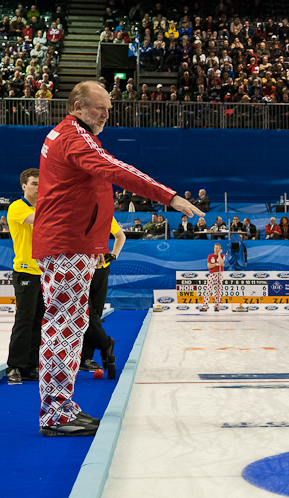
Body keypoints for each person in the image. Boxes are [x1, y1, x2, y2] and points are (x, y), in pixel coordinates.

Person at [33, 81, 202, 437]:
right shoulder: (74, 139)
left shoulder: (71, 133)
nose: (107, 114)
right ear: (78, 106)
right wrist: (168, 197)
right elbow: (116, 171)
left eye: (109, 108)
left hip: (71, 243)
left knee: (70, 325)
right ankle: (56, 413)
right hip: (66, 245)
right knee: (64, 326)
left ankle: (61, 406)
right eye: (100, 108)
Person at [5, 169, 44, 385]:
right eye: (34, 184)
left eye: (41, 184)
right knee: (24, 319)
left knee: (38, 321)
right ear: (24, 186)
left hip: (45, 273)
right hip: (25, 271)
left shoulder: (44, 207)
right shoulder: (17, 207)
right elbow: (40, 221)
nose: (38, 188)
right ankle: (15, 366)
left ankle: (31, 365)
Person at [80, 219, 125, 377]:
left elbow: (120, 236)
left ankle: (86, 358)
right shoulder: (77, 213)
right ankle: (105, 343)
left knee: (95, 313)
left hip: (100, 269)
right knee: (85, 311)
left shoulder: (106, 215)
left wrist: (113, 255)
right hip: (80, 268)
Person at [201, 243, 224, 312]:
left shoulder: (222, 256)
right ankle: (205, 306)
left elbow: (221, 262)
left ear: (220, 249)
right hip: (212, 274)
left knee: (218, 291)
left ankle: (216, 306)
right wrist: (217, 264)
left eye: (217, 248)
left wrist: (219, 254)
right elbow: (209, 266)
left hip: (219, 274)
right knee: (208, 290)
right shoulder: (210, 256)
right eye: (215, 248)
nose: (216, 249)